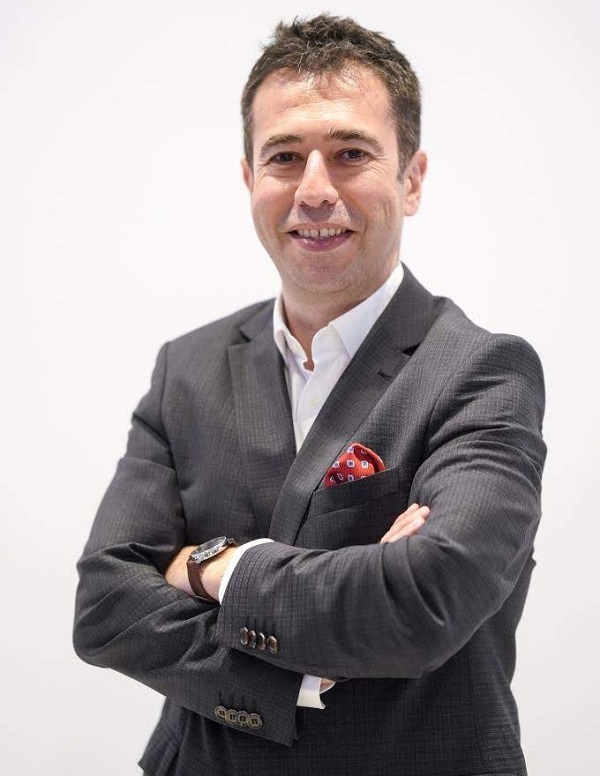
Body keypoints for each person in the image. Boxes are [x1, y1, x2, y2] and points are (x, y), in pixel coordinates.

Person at [73, 13, 546, 776]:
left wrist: (211, 568)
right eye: (285, 157)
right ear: (249, 180)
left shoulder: (483, 373)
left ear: (412, 179)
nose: (315, 190)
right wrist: (293, 673)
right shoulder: (186, 368)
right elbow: (104, 605)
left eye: (351, 153)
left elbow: (425, 602)